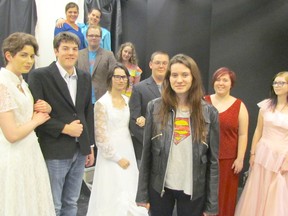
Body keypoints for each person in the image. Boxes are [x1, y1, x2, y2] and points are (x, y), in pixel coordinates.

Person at [136, 54, 219, 216]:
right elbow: (147, 154)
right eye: (174, 75)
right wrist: (142, 194)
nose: (179, 80)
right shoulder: (155, 108)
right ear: (168, 78)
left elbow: (213, 162)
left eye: (185, 75)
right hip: (160, 186)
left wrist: (211, 205)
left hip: (193, 189)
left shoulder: (209, 112)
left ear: (193, 77)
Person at [28, 32, 95, 216]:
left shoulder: (84, 77)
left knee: (71, 203)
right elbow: (35, 116)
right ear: (56, 51)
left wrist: (89, 145)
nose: (71, 53)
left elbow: (87, 112)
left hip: (80, 149)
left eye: (74, 49)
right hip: (55, 149)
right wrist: (65, 128)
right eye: (65, 48)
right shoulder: (40, 76)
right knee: (54, 205)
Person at [0, 32, 55, 215]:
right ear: (9, 55)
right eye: (23, 55)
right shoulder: (2, 84)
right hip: (14, 156)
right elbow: (12, 134)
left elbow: (21, 115)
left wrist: (43, 108)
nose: (29, 60)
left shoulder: (22, 83)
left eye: (31, 56)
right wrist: (36, 120)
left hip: (30, 152)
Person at [86, 63, 148, 216]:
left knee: (129, 190)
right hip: (110, 156)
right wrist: (117, 158)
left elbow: (129, 125)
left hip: (128, 149)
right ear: (110, 79)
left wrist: (139, 120)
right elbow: (100, 137)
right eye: (117, 77)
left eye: (124, 77)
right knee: (112, 193)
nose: (121, 80)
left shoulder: (127, 101)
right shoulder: (102, 103)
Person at [235, 71, 288, 216]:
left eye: (281, 83)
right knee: (257, 189)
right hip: (263, 153)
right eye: (275, 82)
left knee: (277, 192)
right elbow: (258, 130)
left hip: (282, 155)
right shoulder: (266, 106)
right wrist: (252, 153)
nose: (277, 86)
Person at [204, 67, 249, 216]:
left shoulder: (239, 106)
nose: (221, 83)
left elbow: (243, 134)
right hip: (204, 159)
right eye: (218, 79)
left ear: (231, 84)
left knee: (224, 198)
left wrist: (240, 158)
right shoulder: (204, 102)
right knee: (204, 196)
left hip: (228, 162)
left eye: (225, 80)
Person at [129, 51, 169, 163]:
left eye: (164, 63)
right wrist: (152, 143)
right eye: (158, 63)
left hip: (171, 149)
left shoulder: (175, 88)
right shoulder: (139, 88)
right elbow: (134, 120)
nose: (161, 66)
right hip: (146, 150)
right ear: (151, 64)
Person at [77, 24, 116, 103]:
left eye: (96, 36)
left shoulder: (109, 55)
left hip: (102, 99)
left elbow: (114, 75)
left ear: (101, 38)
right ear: (86, 37)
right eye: (91, 35)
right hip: (82, 99)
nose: (93, 38)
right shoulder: (78, 55)